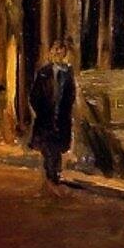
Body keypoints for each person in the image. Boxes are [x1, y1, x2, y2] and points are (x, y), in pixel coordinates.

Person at [28, 44, 76, 185]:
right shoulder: (43, 72)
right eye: (55, 52)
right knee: (47, 145)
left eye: (61, 53)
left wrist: (65, 109)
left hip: (61, 115)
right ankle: (51, 171)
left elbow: (71, 94)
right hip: (46, 116)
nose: (58, 55)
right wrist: (40, 111)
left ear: (64, 55)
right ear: (51, 54)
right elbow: (34, 95)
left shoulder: (68, 72)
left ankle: (55, 170)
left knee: (58, 144)